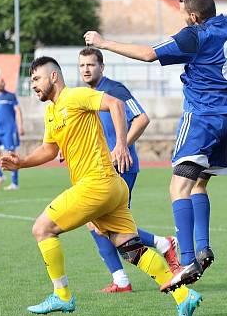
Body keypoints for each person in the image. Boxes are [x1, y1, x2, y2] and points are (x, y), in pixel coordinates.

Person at [0, 56, 201, 316]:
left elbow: (115, 104)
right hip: (112, 187)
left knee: (42, 229)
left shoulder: (76, 95)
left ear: (54, 77)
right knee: (131, 250)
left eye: (36, 78)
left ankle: (62, 294)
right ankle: (183, 296)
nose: (33, 84)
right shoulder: (51, 112)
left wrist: (120, 144)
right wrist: (22, 162)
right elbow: (50, 149)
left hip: (96, 183)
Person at [84, 0, 227, 291]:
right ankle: (203, 246)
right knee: (199, 183)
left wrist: (102, 42)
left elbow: (148, 54)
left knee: (177, 187)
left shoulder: (195, 35)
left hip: (200, 118)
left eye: (183, 12)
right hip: (225, 118)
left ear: (194, 16)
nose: (181, 18)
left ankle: (186, 261)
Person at [77, 47, 180, 293]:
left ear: (102, 67)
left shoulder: (115, 89)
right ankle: (133, 270)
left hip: (122, 167)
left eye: (91, 64)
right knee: (98, 224)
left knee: (106, 225)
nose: (86, 69)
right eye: (82, 66)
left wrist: (121, 146)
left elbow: (142, 118)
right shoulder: (86, 95)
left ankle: (158, 249)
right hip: (101, 169)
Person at [0, 78, 24, 190]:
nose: (0, 83)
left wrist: (20, 125)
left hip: (9, 130)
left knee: (11, 155)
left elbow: (18, 111)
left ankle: (15, 184)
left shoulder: (11, 96)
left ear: (4, 83)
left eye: (2, 81)